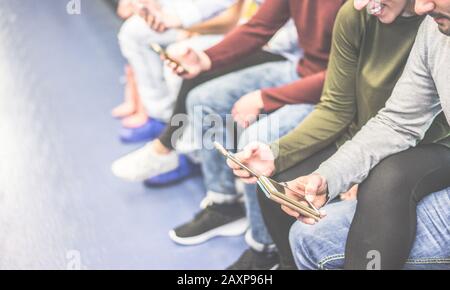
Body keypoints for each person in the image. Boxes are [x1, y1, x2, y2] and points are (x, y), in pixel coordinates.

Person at [227, 0, 450, 269]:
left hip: (429, 150)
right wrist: (330, 176)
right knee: (281, 189)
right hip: (371, 136)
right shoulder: (432, 28)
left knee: (386, 180)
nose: (422, 6)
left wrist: (361, 176)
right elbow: (395, 122)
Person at [166, 0, 345, 272]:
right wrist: (206, 58)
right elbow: (259, 26)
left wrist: (266, 98)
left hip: (332, 93)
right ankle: (224, 204)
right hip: (300, 71)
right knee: (203, 100)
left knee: (256, 138)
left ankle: (265, 248)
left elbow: (345, 76)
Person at [111, 1, 304, 181]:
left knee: (204, 86)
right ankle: (170, 138)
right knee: (190, 65)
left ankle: (173, 148)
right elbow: (260, 22)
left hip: (289, 55)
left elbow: (260, 27)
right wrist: (176, 18)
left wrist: (189, 29)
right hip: (264, 36)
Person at [113, 0, 244, 142]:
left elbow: (228, 21)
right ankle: (160, 116)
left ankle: (180, 138)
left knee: (177, 55)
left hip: (224, 31)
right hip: (188, 21)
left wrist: (189, 28)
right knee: (132, 31)